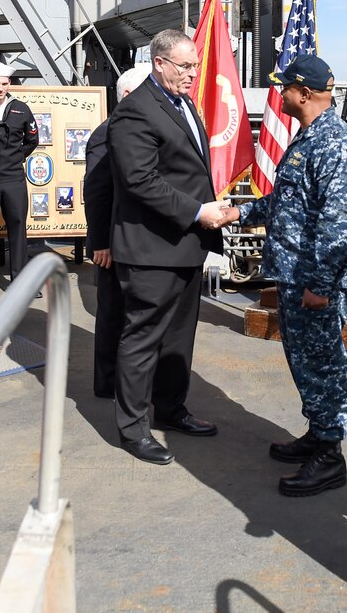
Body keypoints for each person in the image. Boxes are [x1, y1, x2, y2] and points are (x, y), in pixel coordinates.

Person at [219, 53, 347, 497]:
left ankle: (330, 455)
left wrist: (321, 287)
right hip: (294, 276)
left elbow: (339, 226)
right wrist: (238, 212)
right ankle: (318, 434)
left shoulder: (334, 144)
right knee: (304, 361)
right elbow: (287, 204)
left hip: (314, 283)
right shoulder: (307, 139)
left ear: (305, 93)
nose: (280, 94)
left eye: (286, 87)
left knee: (323, 364)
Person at [106, 29, 227, 465]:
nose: (193, 74)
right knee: (142, 340)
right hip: (151, 250)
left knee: (178, 338)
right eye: (185, 67)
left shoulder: (181, 102)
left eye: (194, 66)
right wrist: (199, 211)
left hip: (184, 247)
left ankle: (172, 409)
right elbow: (140, 181)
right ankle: (133, 429)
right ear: (159, 63)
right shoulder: (135, 113)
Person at [84, 64, 152, 399]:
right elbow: (96, 192)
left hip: (132, 240)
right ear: (127, 95)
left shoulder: (138, 132)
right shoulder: (106, 132)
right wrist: (100, 243)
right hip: (110, 241)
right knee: (111, 312)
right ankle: (107, 383)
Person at [0, 64, 38, 285]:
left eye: (4, 84)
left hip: (14, 178)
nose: (0, 89)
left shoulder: (21, 108)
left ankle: (20, 281)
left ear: (9, 84)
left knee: (18, 228)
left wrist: (15, 157)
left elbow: (32, 140)